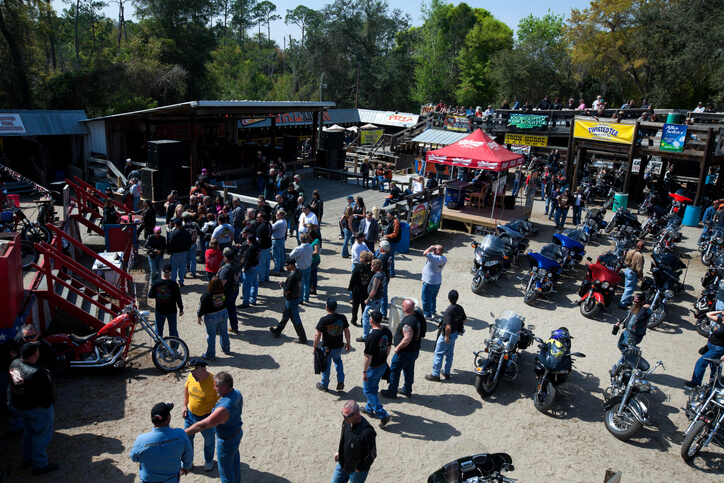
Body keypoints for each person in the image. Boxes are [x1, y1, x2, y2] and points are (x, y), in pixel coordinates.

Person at [7, 342, 59, 475]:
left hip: (21, 406)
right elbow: (46, 394)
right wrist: (48, 405)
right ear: (36, 354)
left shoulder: (14, 364)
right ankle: (39, 464)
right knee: (41, 435)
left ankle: (27, 459)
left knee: (28, 432)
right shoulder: (37, 373)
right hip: (37, 409)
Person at [185, 372, 243, 483]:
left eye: (216, 386)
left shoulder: (223, 409)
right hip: (236, 433)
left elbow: (203, 425)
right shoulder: (237, 393)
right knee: (234, 465)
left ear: (224, 386)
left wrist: (183, 433)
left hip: (226, 442)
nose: (214, 388)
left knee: (226, 473)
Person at [130, 402, 193, 483]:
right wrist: (186, 466)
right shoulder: (180, 434)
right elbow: (188, 455)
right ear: (168, 418)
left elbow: (134, 457)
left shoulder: (141, 440)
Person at [381, 299, 425, 399]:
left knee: (395, 370)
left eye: (403, 306)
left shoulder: (409, 322)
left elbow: (407, 338)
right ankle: (407, 390)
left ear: (405, 309)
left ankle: (392, 392)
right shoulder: (417, 316)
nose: (401, 307)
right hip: (414, 350)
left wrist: (397, 348)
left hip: (404, 352)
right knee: (409, 370)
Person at [182, 359, 219, 472]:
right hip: (190, 415)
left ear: (203, 369)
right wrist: (184, 405)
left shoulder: (214, 381)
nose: (193, 375)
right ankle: (188, 463)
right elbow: (186, 389)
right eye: (191, 373)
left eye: (195, 372)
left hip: (206, 418)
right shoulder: (191, 377)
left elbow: (221, 399)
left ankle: (208, 460)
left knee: (209, 441)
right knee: (187, 440)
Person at [330, 400, 377, 483]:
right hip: (343, 464)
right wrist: (339, 452)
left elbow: (371, 454)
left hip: (357, 471)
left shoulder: (367, 432)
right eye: (343, 415)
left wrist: (361, 468)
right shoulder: (346, 423)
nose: (344, 418)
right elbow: (344, 440)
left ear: (356, 414)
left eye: (346, 416)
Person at [426, 290, 466, 382]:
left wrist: (446, 337)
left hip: (448, 335)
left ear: (449, 298)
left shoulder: (449, 311)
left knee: (438, 354)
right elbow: (464, 319)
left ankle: (435, 374)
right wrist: (457, 321)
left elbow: (448, 326)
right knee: (450, 354)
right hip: (455, 333)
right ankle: (446, 372)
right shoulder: (460, 308)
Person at [361, 310, 392, 428]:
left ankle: (383, 415)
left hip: (372, 368)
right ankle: (369, 408)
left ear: (371, 320)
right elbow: (388, 348)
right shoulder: (387, 331)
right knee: (373, 388)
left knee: (368, 391)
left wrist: (364, 371)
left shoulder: (371, 336)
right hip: (382, 365)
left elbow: (368, 356)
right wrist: (383, 359)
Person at [313, 298, 352, 392]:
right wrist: (348, 343)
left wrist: (314, 346)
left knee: (326, 366)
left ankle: (324, 385)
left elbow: (317, 335)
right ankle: (341, 381)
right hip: (338, 346)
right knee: (338, 362)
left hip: (327, 348)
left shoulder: (323, 320)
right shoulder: (342, 318)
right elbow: (347, 331)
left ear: (326, 307)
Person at [269, 258, 306, 343]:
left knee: (295, 319)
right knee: (286, 315)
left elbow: (287, 289)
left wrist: (282, 284)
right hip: (296, 297)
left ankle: (302, 338)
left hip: (291, 300)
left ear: (291, 265)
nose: (285, 267)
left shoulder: (292, 276)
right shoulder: (299, 272)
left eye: (286, 265)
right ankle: (278, 330)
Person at [685, 311, 724, 389]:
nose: (723, 316)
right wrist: (720, 311)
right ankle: (714, 384)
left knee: (701, 362)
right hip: (711, 346)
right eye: (723, 315)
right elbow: (708, 314)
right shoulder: (721, 320)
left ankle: (696, 383)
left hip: (717, 350)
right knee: (715, 366)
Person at [197, 276, 230, 360]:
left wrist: (199, 315)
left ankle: (210, 354)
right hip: (223, 313)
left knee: (211, 335)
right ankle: (226, 349)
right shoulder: (225, 292)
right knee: (224, 332)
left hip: (211, 316)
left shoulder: (206, 296)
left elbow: (202, 307)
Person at [148, 263, 184, 338]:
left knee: (158, 331)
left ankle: (158, 347)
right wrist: (181, 308)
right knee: (173, 330)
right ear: (171, 271)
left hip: (160, 310)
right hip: (171, 310)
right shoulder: (174, 285)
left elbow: (150, 295)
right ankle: (173, 347)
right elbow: (178, 298)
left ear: (162, 271)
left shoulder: (156, 283)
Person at [358, 259, 385, 343]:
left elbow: (374, 290)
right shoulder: (383, 274)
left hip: (373, 301)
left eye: (372, 265)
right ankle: (375, 334)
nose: (371, 266)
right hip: (378, 300)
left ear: (377, 266)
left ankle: (365, 336)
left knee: (365, 317)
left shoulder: (377, 277)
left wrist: (368, 299)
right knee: (375, 318)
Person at [217, 247, 241, 334]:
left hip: (226, 293)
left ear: (226, 258)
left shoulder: (226, 269)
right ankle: (234, 326)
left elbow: (222, 283)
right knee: (232, 309)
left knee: (219, 311)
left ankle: (218, 329)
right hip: (234, 290)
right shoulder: (236, 265)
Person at [421, 244, 447, 320]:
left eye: (435, 249)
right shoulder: (444, 258)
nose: (433, 250)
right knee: (433, 297)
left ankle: (427, 314)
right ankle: (432, 311)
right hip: (437, 281)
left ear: (439, 251)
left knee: (426, 298)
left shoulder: (434, 258)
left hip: (430, 281)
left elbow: (424, 253)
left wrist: (430, 247)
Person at [348, 252, 373, 327]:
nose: (359, 257)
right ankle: (364, 320)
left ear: (363, 259)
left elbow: (353, 278)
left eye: (361, 256)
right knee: (364, 306)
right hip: (366, 289)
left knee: (355, 305)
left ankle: (354, 319)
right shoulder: (370, 267)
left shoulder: (358, 267)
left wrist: (350, 287)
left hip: (357, 289)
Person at [239, 226, 260, 308]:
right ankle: (253, 299)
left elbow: (247, 259)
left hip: (250, 268)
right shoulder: (257, 246)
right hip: (255, 266)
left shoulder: (250, 248)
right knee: (254, 283)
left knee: (246, 286)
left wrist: (245, 268)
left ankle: (245, 302)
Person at [167, 217, 192, 287]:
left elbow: (169, 243)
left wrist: (169, 251)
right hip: (184, 252)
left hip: (175, 253)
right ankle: (181, 281)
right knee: (182, 267)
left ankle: (173, 282)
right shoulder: (186, 233)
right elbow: (190, 242)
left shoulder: (173, 233)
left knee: (174, 268)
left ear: (175, 225)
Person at [619, 241, 645, 309]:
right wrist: (640, 276)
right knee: (629, 289)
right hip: (633, 272)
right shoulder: (639, 255)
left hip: (627, 270)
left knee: (627, 286)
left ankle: (628, 301)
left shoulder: (630, 251)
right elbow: (639, 268)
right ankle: (622, 303)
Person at [290, 233, 313, 303]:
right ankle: (306, 298)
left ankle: (300, 299)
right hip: (308, 266)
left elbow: (291, 255)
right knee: (307, 283)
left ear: (300, 240)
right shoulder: (310, 246)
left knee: (300, 285)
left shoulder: (299, 249)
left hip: (300, 268)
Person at [182, 212, 201, 278]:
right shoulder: (194, 224)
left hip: (184, 245)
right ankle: (193, 272)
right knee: (193, 258)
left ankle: (183, 273)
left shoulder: (182, 225)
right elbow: (199, 232)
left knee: (183, 259)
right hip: (193, 243)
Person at [383, 211, 401, 277]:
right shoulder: (390, 221)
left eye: (388, 213)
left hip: (393, 242)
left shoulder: (395, 223)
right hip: (390, 241)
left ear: (391, 215)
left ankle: (392, 272)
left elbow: (394, 234)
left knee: (390, 256)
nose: (387, 214)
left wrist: (386, 236)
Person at [271, 209, 288, 274]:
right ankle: (281, 267)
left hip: (276, 240)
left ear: (281, 215)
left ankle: (276, 270)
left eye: (277, 214)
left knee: (276, 255)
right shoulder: (284, 221)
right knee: (281, 254)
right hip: (281, 239)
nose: (276, 215)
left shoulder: (279, 222)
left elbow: (271, 228)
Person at [309, 228, 322, 295]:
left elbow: (316, 251)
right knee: (314, 275)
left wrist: (309, 253)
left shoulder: (316, 241)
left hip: (314, 260)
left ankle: (310, 288)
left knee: (311, 275)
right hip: (315, 260)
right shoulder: (315, 240)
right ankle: (313, 289)